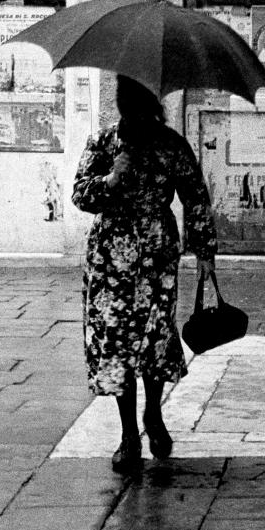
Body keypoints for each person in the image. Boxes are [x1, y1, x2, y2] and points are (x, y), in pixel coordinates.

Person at [72, 75, 217, 473]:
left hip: (155, 255)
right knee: (117, 339)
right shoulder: (104, 143)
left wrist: (205, 250)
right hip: (110, 258)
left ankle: (153, 413)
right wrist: (112, 178)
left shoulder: (171, 145)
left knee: (154, 336)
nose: (134, 114)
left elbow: (195, 195)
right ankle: (127, 436)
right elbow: (81, 194)